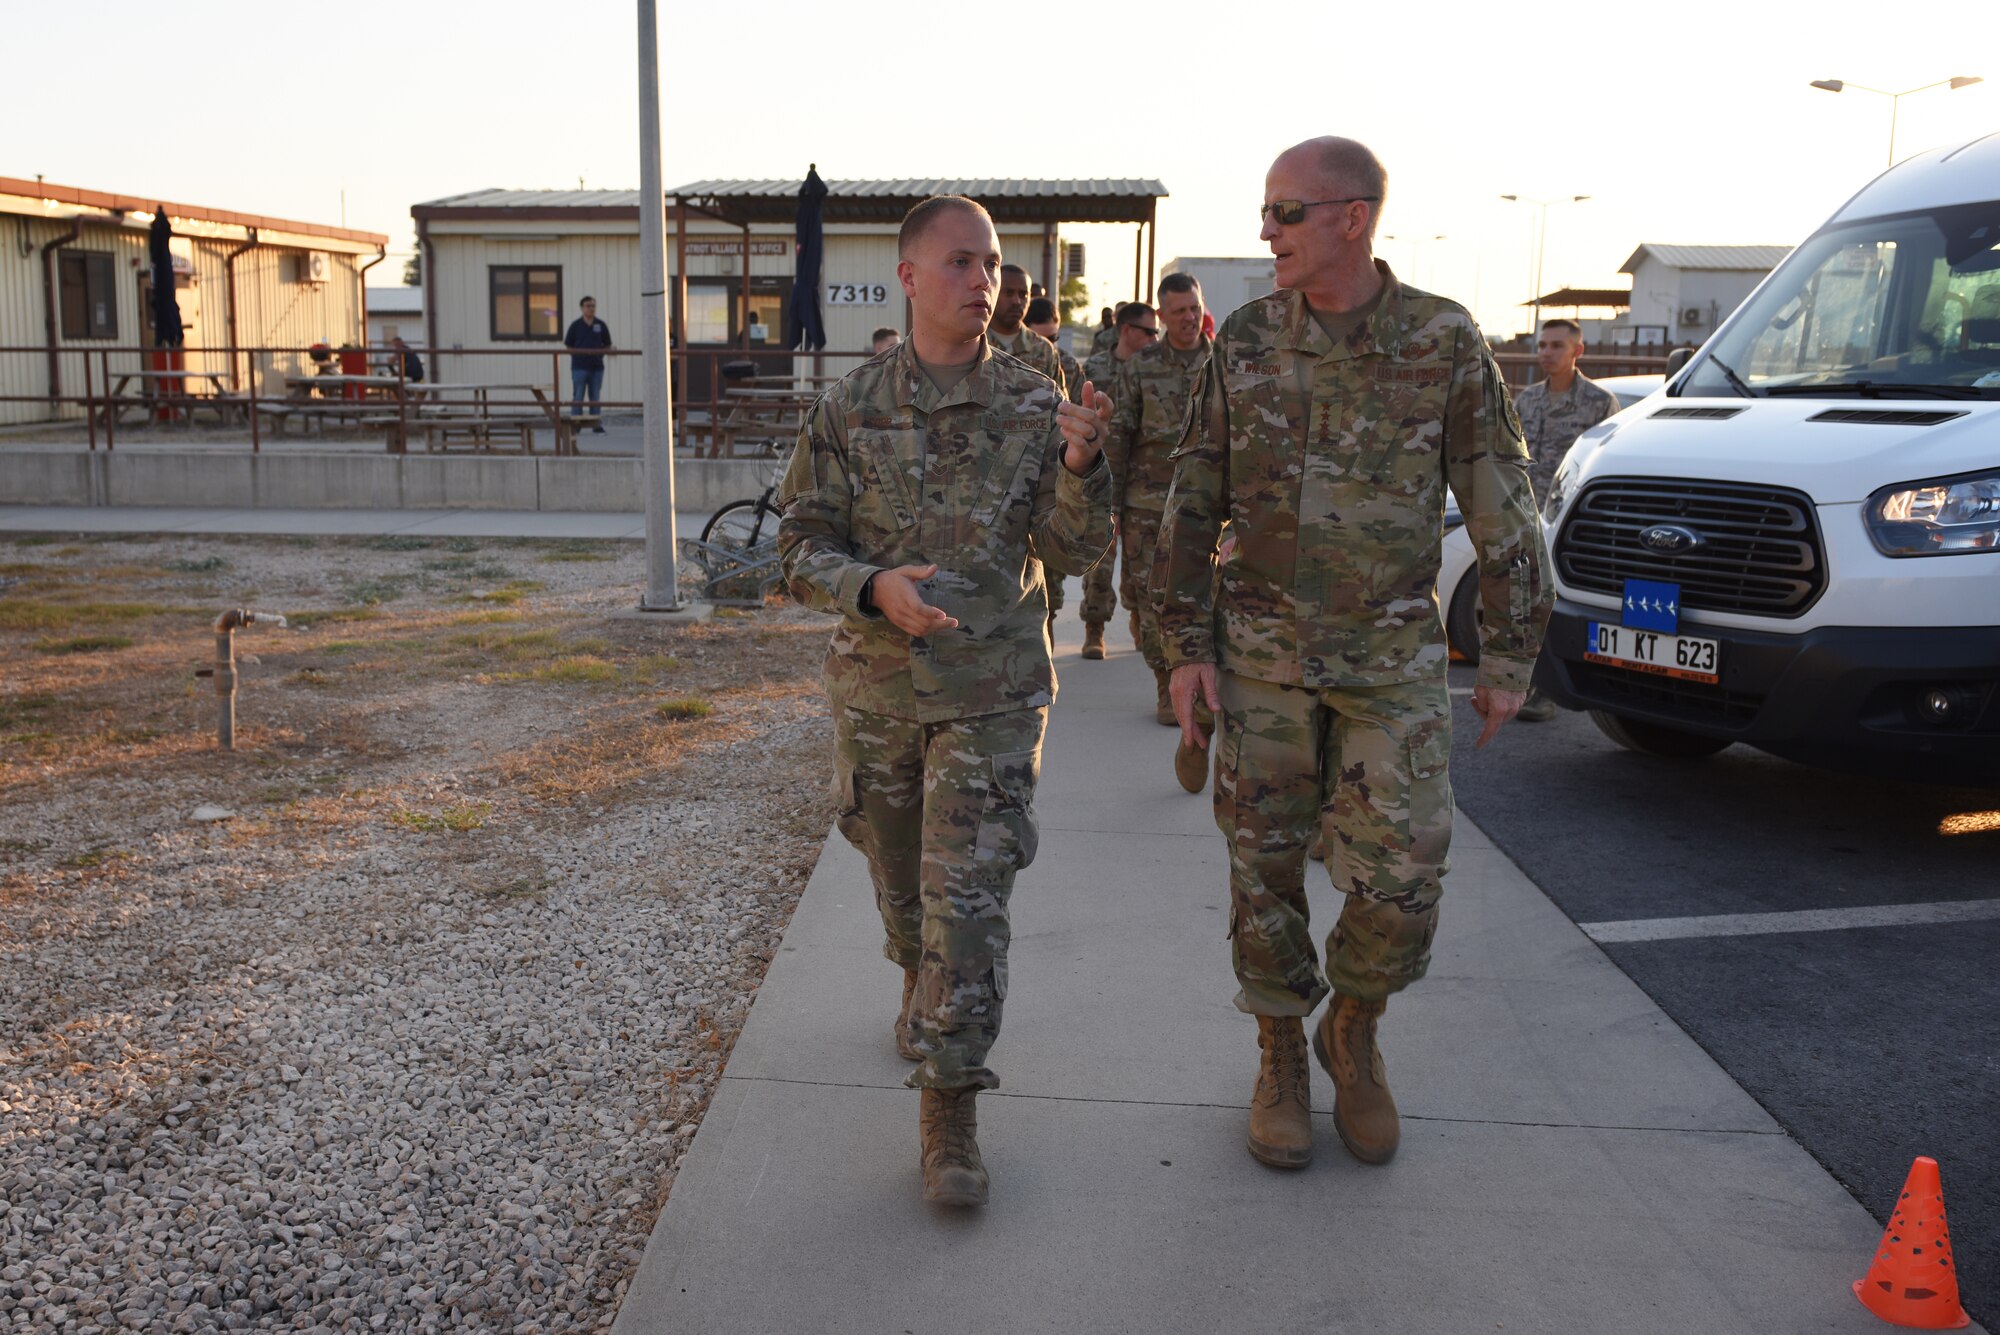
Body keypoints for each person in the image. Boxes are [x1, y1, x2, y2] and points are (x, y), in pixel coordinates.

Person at [1155, 136, 1550, 1172]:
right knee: (1264, 865)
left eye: (1285, 212)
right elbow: (1191, 496)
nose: (1264, 231)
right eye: (1266, 211)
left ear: (1352, 218)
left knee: (1404, 868)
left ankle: (1353, 1028)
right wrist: (1181, 649)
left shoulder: (1441, 339)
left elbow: (1500, 497)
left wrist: (1508, 650)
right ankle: (1279, 1049)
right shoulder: (1240, 340)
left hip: (1387, 657)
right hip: (1262, 658)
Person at [777, 195, 1114, 1207]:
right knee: (904, 901)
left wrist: (1080, 467)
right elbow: (796, 547)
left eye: (995, 264)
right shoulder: (847, 404)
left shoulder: (1035, 395)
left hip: (994, 690)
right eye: (962, 264)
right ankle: (913, 980)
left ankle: (950, 1106)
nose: (985, 282)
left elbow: (1072, 552)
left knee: (964, 911)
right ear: (911, 278)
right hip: (879, 693)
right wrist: (872, 589)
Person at [1105, 273, 1210, 751]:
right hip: (1149, 506)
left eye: (1194, 308)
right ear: (1162, 317)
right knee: (1153, 601)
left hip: (1211, 506)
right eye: (1178, 311)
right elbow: (1120, 438)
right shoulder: (1142, 368)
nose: (1188, 318)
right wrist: (1111, 506)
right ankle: (1166, 684)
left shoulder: (1224, 362)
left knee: (1210, 599)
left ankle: (1206, 688)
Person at [1510, 318, 1619, 723]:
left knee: (1555, 605)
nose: (1546, 352)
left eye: (1556, 345)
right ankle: (1523, 683)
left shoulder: (1599, 403)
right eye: (1542, 345)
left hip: (1567, 524)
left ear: (1578, 351)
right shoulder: (1527, 400)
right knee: (1524, 604)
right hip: (1527, 515)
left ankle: (1547, 691)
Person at [1029, 296, 1118, 657]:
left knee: (1058, 569)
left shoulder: (1063, 365)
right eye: (1042, 338)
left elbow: (1077, 418)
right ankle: (1042, 636)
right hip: (1015, 483)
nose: (1048, 347)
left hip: (1059, 477)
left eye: (1054, 338)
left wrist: (1081, 451)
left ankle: (1082, 629)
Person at [985, 264, 1068, 393]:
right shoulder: (972, 343)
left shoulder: (1044, 350)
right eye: (1009, 293)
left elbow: (1059, 404)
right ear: (992, 292)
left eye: (1023, 294)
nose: (1017, 301)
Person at [563, 297, 613, 433]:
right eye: (588, 306)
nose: (591, 308)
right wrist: (577, 356)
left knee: (595, 396)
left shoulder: (601, 325)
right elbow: (568, 345)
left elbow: (608, 344)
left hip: (597, 367)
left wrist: (600, 354)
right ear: (581, 308)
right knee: (578, 395)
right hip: (579, 367)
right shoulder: (575, 325)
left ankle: (595, 424)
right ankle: (575, 425)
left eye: (593, 306)